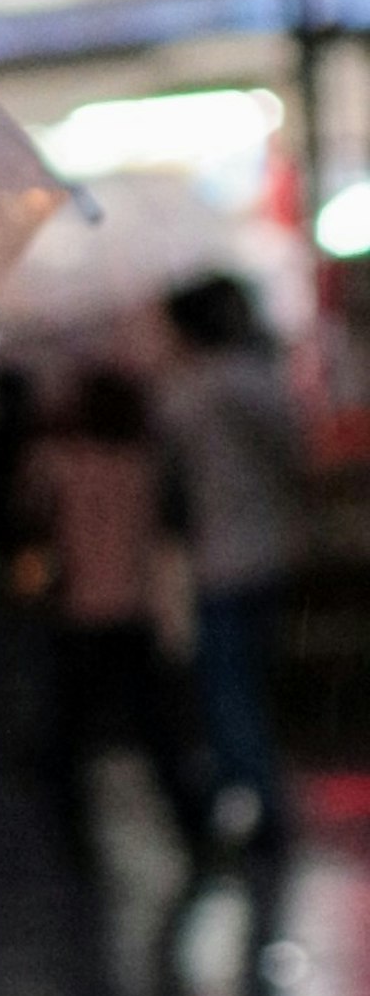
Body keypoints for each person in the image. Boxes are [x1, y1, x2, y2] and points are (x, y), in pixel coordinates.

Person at [18, 362, 213, 868]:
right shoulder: (145, 464)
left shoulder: (54, 462)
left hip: (77, 612)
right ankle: (195, 835)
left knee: (67, 740)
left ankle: (73, 845)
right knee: (157, 734)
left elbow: (30, 522)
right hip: (133, 609)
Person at [160, 273, 305, 868]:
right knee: (253, 684)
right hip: (269, 552)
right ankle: (263, 797)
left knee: (227, 690)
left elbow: (173, 486)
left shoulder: (185, 395)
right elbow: (293, 459)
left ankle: (260, 803)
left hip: (220, 561)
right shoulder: (256, 382)